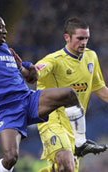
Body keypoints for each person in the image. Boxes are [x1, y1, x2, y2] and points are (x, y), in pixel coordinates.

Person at [0, 8, 83, 172]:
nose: (5, 30)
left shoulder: (7, 51)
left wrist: (26, 69)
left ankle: (81, 141)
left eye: (4, 27)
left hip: (28, 99)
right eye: (0, 27)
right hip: (6, 108)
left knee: (69, 94)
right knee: (11, 158)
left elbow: (30, 77)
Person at [35, 17, 108, 172]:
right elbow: (35, 71)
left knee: (65, 169)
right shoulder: (54, 61)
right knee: (66, 162)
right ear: (67, 37)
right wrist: (26, 70)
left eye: (86, 38)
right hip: (52, 120)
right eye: (80, 38)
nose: (84, 42)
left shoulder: (91, 57)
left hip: (75, 128)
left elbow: (102, 91)